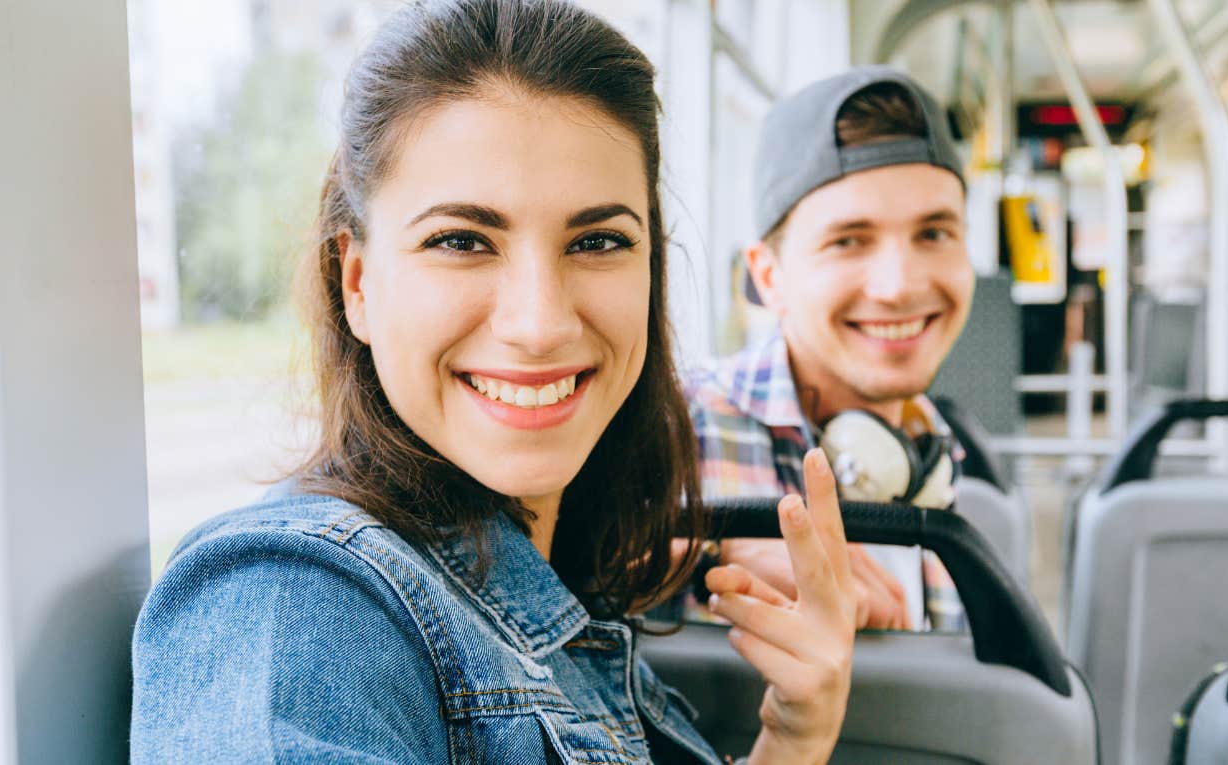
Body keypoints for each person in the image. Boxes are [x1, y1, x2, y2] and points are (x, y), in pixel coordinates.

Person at [129, 1, 857, 763]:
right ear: (358, 284)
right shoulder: (292, 598)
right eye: (460, 241)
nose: (539, 323)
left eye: (599, 240)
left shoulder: (550, 585)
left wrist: (794, 736)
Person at [687, 67, 975, 632]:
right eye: (849, 241)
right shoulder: (671, 427)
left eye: (934, 233)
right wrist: (702, 558)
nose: (898, 285)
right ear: (768, 277)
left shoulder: (936, 454)